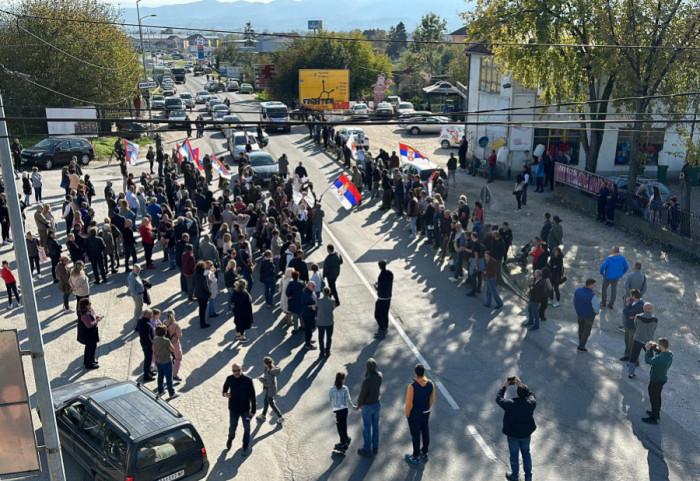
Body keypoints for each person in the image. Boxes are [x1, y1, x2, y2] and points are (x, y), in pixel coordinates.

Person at [496, 376, 536, 481]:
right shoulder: (531, 403)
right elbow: (532, 395)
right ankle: (528, 478)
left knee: (514, 455)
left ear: (517, 393)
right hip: (526, 434)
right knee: (526, 454)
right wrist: (520, 385)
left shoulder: (510, 404)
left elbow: (498, 398)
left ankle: (515, 476)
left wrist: (505, 386)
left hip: (513, 435)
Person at [404, 364, 435, 465]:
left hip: (415, 414)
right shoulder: (430, 384)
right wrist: (426, 407)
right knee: (425, 431)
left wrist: (408, 414)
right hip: (426, 412)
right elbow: (432, 398)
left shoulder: (412, 386)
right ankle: (424, 452)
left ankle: (415, 456)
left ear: (415, 373)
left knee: (416, 435)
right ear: (424, 373)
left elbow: (409, 403)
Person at [223, 362, 256, 455]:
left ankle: (245, 445)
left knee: (247, 428)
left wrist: (253, 411)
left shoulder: (248, 380)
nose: (236, 372)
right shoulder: (229, 378)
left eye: (238, 370)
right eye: (234, 371)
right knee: (232, 427)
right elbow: (224, 389)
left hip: (246, 411)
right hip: (233, 410)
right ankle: (230, 439)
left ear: (241, 369)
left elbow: (253, 396)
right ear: (232, 371)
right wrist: (225, 394)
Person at [356, 358, 383, 457]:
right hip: (377, 404)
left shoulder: (367, 381)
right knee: (375, 425)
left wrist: (359, 404)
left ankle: (367, 448)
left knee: (367, 427)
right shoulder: (379, 376)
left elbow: (362, 394)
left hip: (368, 406)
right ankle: (375, 446)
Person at [642, 338, 672, 424]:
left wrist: (648, 350)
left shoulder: (660, 358)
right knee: (658, 396)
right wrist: (655, 347)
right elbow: (660, 352)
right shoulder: (669, 354)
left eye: (659, 345)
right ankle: (656, 413)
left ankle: (653, 418)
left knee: (653, 398)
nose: (658, 346)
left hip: (655, 380)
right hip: (662, 379)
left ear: (662, 346)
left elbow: (648, 360)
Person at [628, 302, 658, 379]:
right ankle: (654, 374)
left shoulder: (638, 317)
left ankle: (631, 374)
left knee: (634, 356)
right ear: (651, 309)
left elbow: (635, 325)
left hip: (638, 339)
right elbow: (654, 329)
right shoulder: (655, 319)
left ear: (643, 308)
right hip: (648, 342)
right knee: (651, 358)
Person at [573, 279, 601, 352]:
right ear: (590, 285)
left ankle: (580, 341)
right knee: (587, 331)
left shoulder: (577, 290)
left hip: (579, 314)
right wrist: (596, 313)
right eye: (594, 285)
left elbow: (573, 301)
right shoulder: (592, 295)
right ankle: (581, 346)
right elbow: (596, 308)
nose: (595, 286)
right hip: (589, 316)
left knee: (581, 328)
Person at [330, 372, 356, 452]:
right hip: (345, 409)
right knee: (344, 424)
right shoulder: (345, 388)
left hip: (338, 410)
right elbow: (348, 399)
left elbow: (331, 400)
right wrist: (353, 407)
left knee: (339, 426)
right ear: (343, 379)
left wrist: (335, 407)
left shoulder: (332, 389)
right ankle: (346, 437)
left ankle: (343, 442)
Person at [153, 325, 179, 400]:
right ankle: (172, 393)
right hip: (167, 361)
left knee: (160, 376)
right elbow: (172, 349)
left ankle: (160, 390)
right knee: (169, 377)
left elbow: (153, 349)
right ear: (164, 332)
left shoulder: (155, 339)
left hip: (158, 360)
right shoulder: (166, 341)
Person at [256, 356, 284, 424]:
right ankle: (263, 415)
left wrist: (260, 379)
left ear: (265, 363)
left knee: (271, 403)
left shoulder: (269, 373)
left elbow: (268, 383)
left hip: (270, 389)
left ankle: (280, 417)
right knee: (265, 401)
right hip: (271, 388)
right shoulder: (271, 368)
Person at [620, 289, 644, 361]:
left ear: (634, 296)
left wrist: (627, 305)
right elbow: (628, 314)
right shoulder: (633, 302)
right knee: (627, 341)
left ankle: (634, 360)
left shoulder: (639, 306)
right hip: (629, 325)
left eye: (631, 295)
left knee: (632, 344)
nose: (629, 296)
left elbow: (627, 313)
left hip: (633, 327)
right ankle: (627, 355)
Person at [77, 299, 101, 369]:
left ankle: (89, 360)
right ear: (85, 305)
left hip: (92, 333)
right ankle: (89, 364)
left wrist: (96, 317)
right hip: (89, 334)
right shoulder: (85, 314)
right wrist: (97, 321)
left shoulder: (89, 310)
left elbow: (93, 316)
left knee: (89, 347)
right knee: (91, 347)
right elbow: (89, 325)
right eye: (89, 304)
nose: (91, 304)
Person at [374, 260, 393, 337]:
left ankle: (382, 328)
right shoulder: (390, 273)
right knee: (385, 313)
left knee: (377, 314)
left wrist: (376, 286)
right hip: (388, 297)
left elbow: (380, 288)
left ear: (379, 267)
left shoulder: (381, 276)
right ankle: (385, 325)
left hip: (382, 298)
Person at [164, 311, 184, 381]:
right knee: (178, 359)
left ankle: (167, 375)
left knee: (168, 360)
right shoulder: (176, 325)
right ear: (174, 315)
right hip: (175, 343)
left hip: (166, 343)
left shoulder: (164, 323)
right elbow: (179, 335)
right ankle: (174, 375)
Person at [317, 287, 336, 358]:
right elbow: (332, 308)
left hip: (321, 322)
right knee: (329, 337)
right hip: (329, 322)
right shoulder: (332, 302)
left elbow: (317, 307)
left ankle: (322, 352)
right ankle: (327, 352)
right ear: (329, 292)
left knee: (321, 337)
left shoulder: (319, 301)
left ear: (323, 292)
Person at [137, 309, 155, 382]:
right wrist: (152, 344)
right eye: (151, 314)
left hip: (143, 343)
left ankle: (149, 372)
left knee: (149, 359)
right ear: (147, 315)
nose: (152, 316)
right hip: (147, 344)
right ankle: (146, 375)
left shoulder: (140, 321)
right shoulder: (146, 323)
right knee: (148, 359)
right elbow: (148, 336)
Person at [193, 261, 211, 328]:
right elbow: (206, 287)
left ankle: (201, 320)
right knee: (203, 309)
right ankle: (202, 323)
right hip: (203, 295)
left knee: (201, 307)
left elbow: (193, 284)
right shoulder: (204, 277)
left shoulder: (195, 274)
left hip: (197, 293)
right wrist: (210, 293)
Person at [301, 281, 318, 350]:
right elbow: (303, 306)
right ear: (308, 286)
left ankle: (309, 340)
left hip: (311, 314)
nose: (314, 288)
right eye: (313, 286)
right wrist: (311, 307)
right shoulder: (305, 294)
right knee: (308, 329)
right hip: (307, 315)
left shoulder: (311, 292)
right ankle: (308, 344)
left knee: (310, 328)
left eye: (315, 286)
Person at [128, 264, 145, 330]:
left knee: (139, 309)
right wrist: (138, 296)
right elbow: (132, 289)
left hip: (140, 294)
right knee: (138, 311)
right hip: (137, 296)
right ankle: (136, 325)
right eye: (137, 270)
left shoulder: (134, 274)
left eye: (139, 270)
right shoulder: (132, 277)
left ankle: (137, 323)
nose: (138, 271)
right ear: (133, 269)